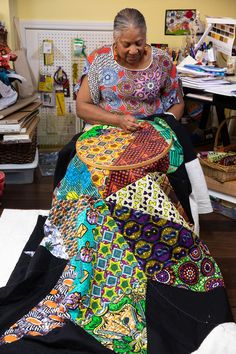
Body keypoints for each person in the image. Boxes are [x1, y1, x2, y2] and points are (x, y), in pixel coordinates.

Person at [0, 8, 234, 354]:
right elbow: (82, 107)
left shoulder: (163, 62)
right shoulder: (98, 62)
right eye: (127, 44)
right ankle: (87, 243)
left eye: (139, 43)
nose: (134, 50)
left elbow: (177, 101)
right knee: (83, 175)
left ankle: (153, 244)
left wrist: (164, 123)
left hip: (152, 131)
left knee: (149, 179)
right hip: (106, 132)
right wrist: (115, 119)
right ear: (115, 40)